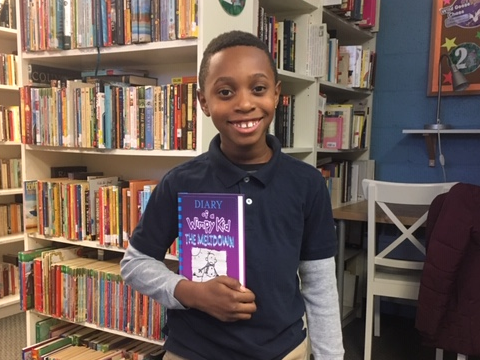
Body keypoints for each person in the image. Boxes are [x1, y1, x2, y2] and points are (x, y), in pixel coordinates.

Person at [120, 30, 344, 360]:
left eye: (258, 88)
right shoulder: (180, 182)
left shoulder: (307, 184)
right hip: (193, 350)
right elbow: (135, 264)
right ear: (204, 102)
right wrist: (190, 293)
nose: (244, 103)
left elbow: (320, 285)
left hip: (284, 351)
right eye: (225, 92)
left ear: (277, 95)